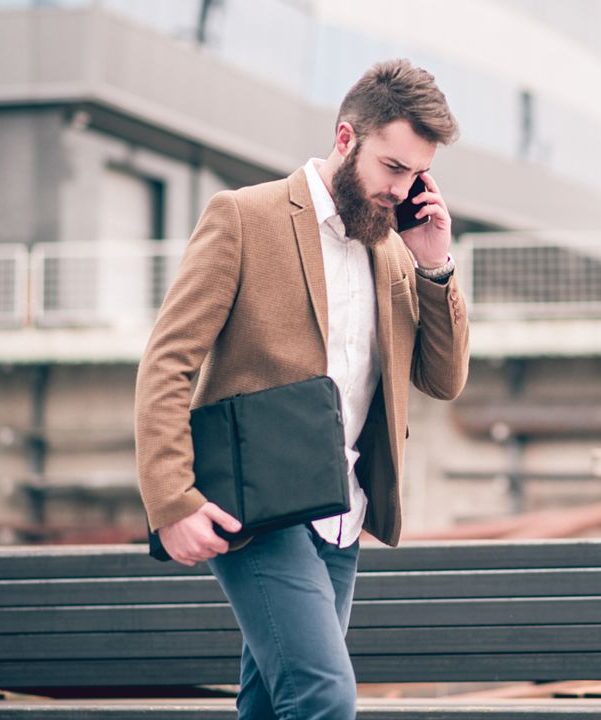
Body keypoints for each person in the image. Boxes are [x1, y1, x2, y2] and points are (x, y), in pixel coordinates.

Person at [133, 59, 469, 719]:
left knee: (272, 702)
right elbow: (168, 360)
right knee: (322, 696)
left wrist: (434, 264)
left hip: (342, 516)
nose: (401, 190)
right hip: (257, 514)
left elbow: (443, 378)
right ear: (346, 139)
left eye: (415, 175)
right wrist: (171, 500)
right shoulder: (244, 217)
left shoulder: (395, 252)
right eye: (391, 168)